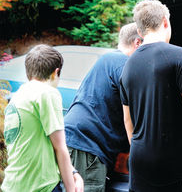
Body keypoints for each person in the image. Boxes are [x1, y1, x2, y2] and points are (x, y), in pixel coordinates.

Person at [120, 0, 182, 192]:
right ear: (165, 22)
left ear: (139, 32)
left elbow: (128, 120)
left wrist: (141, 150)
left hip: (140, 162)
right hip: (174, 162)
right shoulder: (178, 55)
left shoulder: (128, 66)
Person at [64, 23, 142, 191]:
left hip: (75, 140)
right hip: (86, 145)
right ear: (137, 43)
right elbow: (139, 108)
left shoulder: (108, 60)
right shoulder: (125, 64)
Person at [2, 44, 84, 192]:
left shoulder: (18, 96)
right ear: (56, 72)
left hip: (13, 185)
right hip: (40, 186)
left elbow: (43, 144)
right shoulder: (47, 93)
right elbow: (60, 148)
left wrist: (73, 172)